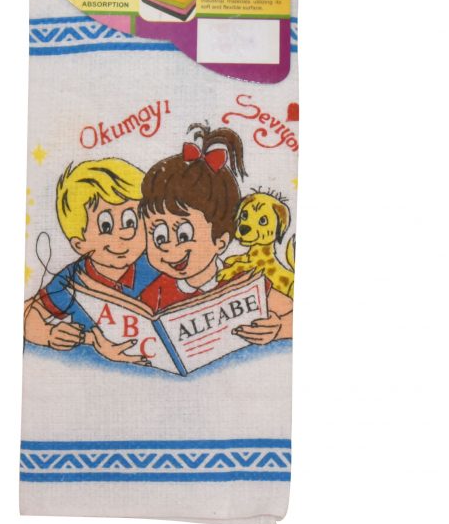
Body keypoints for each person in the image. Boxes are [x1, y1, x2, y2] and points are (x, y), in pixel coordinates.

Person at [137, 124, 293, 345]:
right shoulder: (157, 293)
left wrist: (278, 328)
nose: (170, 247)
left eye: (184, 235)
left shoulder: (243, 280)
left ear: (221, 241)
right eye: (159, 237)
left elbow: (292, 313)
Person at [24, 158, 157, 362]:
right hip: (93, 368)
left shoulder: (154, 263)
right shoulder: (72, 280)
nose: (123, 235)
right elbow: (27, 313)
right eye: (106, 226)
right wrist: (49, 335)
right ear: (79, 244)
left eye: (130, 221)